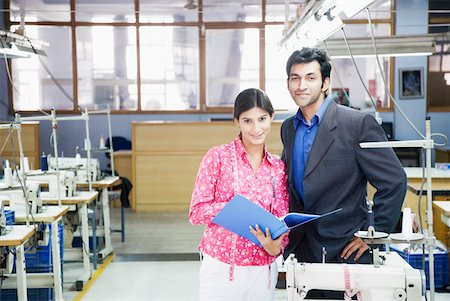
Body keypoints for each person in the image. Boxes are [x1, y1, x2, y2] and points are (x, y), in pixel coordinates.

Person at [280, 48, 406, 298]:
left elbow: (394, 181)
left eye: (310, 77)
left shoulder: (357, 124)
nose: (301, 85)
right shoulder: (288, 128)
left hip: (345, 249)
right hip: (303, 249)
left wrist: (374, 233)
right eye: (295, 78)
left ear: (326, 83)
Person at [189, 88, 289, 301]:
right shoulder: (217, 157)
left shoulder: (277, 167)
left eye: (262, 119)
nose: (256, 128)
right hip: (221, 268)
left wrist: (274, 246)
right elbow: (196, 212)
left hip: (263, 272)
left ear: (271, 117)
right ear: (237, 121)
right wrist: (236, 208)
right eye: (247, 121)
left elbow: (282, 220)